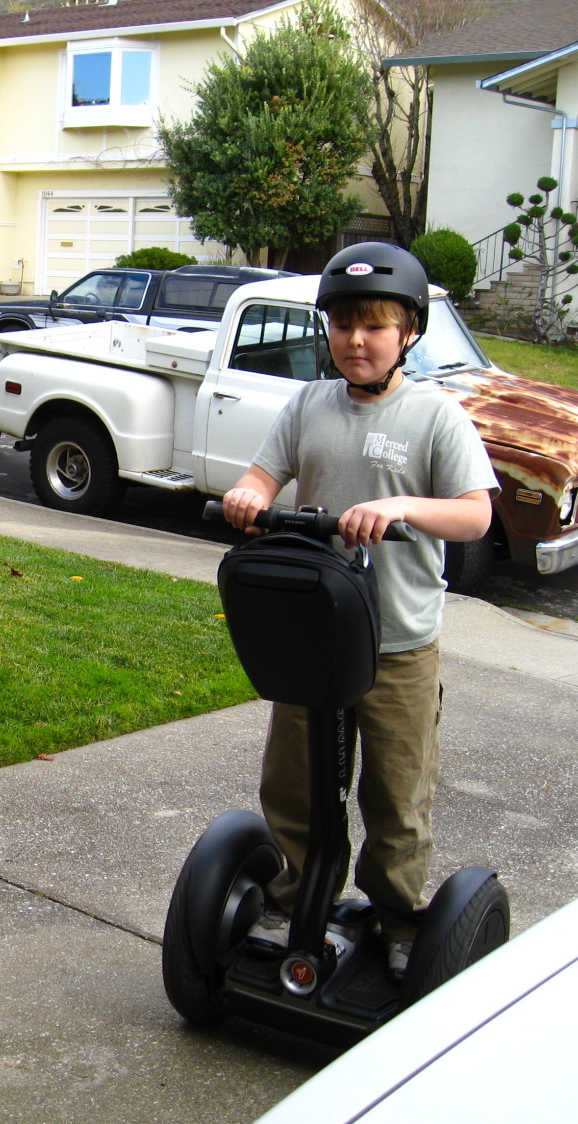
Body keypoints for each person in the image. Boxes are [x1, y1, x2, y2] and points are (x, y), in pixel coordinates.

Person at [220, 242, 497, 979]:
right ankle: (292, 899)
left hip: (399, 642)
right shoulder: (308, 404)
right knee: (295, 783)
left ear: (409, 332)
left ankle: (399, 918)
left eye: (374, 326)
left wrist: (401, 507)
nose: (356, 340)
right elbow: (261, 475)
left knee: (397, 792)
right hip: (315, 636)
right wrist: (248, 495)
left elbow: (475, 515)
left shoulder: (434, 416)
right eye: (343, 325)